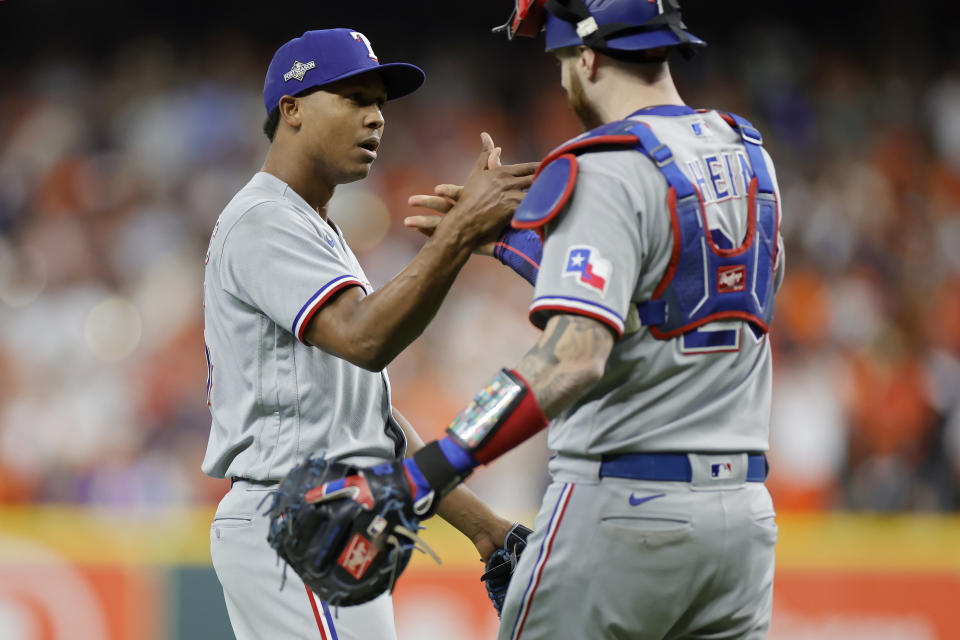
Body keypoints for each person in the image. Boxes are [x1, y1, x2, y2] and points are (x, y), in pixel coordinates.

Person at [335, 0, 787, 637]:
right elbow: (671, 293)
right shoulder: (748, 153)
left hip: (623, 511)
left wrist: (426, 471)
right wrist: (513, 245)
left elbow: (573, 357)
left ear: (589, 56)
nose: (562, 77)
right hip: (742, 523)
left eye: (561, 61)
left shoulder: (604, 164)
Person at [201, 28, 538, 640]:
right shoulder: (264, 220)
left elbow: (370, 425)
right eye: (354, 97)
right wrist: (461, 232)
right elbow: (365, 338)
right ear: (292, 108)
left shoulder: (314, 227)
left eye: (379, 102)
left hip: (333, 521)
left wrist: (483, 527)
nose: (376, 118)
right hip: (293, 520)